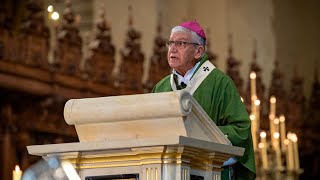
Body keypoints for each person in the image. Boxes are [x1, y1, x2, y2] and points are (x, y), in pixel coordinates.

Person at [152, 20, 256, 180]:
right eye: (170, 42)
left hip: (209, 171)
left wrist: (200, 134)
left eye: (180, 43)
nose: (172, 48)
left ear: (198, 52)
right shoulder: (161, 87)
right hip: (167, 171)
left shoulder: (220, 82)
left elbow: (241, 130)